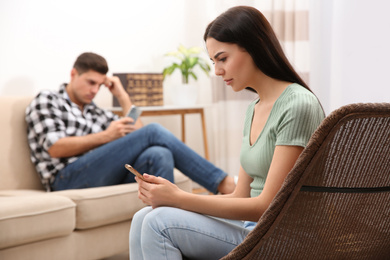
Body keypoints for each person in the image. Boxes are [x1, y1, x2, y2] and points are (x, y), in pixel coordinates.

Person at [129, 5, 325, 260]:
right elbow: (241, 196)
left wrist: (179, 198)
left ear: (254, 46)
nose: (217, 71)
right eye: (213, 61)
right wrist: (173, 198)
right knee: (142, 217)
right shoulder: (254, 108)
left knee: (159, 222)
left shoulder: (298, 104)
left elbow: (268, 206)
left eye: (222, 58)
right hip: (253, 228)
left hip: (284, 237)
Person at [25, 52, 235, 194]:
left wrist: (122, 96)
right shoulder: (48, 99)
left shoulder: (93, 110)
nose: (95, 90)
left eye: (100, 85)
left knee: (159, 154)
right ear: (73, 74)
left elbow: (140, 134)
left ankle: (169, 231)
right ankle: (223, 184)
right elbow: (55, 148)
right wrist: (106, 136)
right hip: (65, 179)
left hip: (99, 172)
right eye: (91, 82)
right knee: (154, 132)